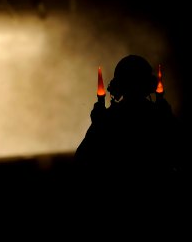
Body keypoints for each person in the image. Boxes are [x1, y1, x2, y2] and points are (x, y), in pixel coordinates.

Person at [74, 55, 183, 189]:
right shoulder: (159, 115)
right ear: (149, 85)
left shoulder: (108, 119)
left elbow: (82, 160)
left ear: (118, 86)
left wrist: (97, 125)